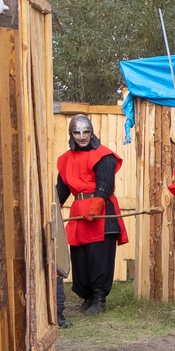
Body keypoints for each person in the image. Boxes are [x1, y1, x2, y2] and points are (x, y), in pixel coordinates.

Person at [55, 113, 126, 316]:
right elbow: (62, 190)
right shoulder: (65, 160)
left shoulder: (104, 155)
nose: (82, 136)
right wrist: (52, 208)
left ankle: (99, 298)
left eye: (86, 132)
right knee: (81, 258)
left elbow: (105, 184)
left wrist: (96, 206)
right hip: (79, 213)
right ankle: (86, 297)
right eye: (77, 132)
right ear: (71, 134)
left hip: (101, 211)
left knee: (99, 257)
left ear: (92, 132)